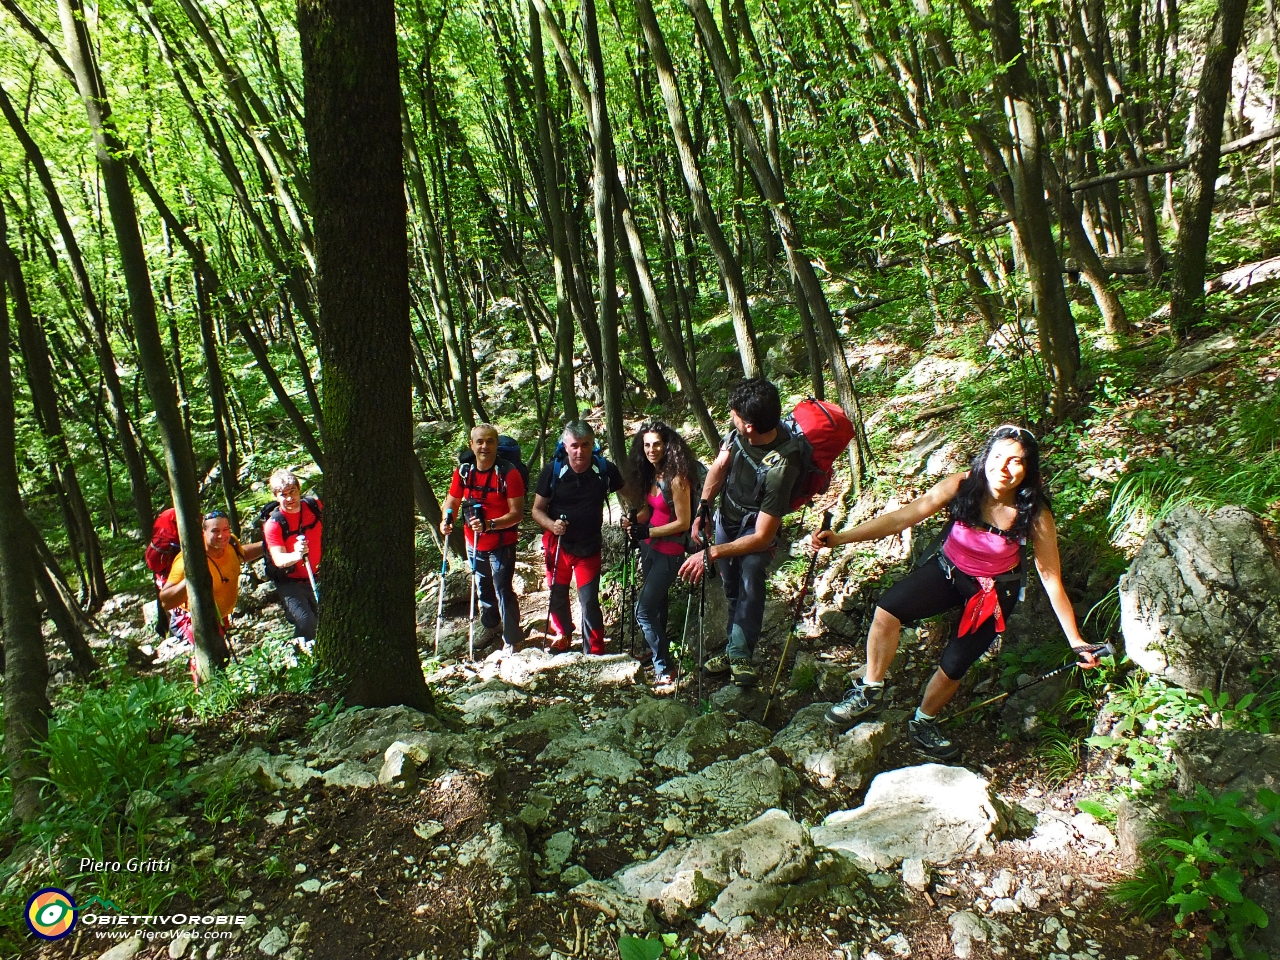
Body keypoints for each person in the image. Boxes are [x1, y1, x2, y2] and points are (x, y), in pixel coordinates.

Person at [813, 424, 1099, 760]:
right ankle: (871, 689)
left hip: (992, 594)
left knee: (954, 663)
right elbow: (902, 518)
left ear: (1029, 468)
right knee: (888, 609)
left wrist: (1075, 640)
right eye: (997, 457)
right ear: (985, 457)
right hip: (948, 572)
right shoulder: (964, 485)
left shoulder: (1034, 513)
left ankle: (923, 723)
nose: (1003, 469)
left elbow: (1051, 580)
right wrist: (842, 537)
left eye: (1016, 462)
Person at [679, 378, 800, 688]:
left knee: (749, 579)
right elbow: (720, 466)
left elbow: (762, 536)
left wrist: (712, 552)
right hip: (726, 517)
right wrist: (703, 508)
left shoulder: (781, 467)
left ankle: (741, 655)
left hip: (756, 527)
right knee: (731, 584)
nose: (730, 416)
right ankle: (735, 648)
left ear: (750, 425)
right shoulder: (738, 434)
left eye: (734, 413)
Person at [532, 421, 624, 654]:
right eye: (574, 446)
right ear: (566, 445)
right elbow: (537, 510)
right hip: (558, 544)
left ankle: (593, 648)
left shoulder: (604, 470)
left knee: (589, 600)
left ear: (593, 444)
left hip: (589, 546)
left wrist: (635, 517)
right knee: (557, 593)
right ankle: (563, 633)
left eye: (585, 445)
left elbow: (629, 495)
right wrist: (552, 525)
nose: (579, 451)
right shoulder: (554, 470)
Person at [441, 423, 527, 654]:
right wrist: (446, 520)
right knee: (482, 585)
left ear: (497, 444)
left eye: (490, 441)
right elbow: (452, 501)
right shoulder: (463, 472)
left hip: (502, 542)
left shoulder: (509, 473)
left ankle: (512, 637)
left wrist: (490, 525)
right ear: (472, 444)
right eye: (479, 441)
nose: (484, 446)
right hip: (473, 542)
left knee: (502, 588)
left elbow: (516, 513)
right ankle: (490, 625)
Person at [620, 422, 695, 687]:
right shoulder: (654, 474)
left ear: (667, 446)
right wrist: (634, 521)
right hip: (650, 548)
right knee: (657, 604)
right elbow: (652, 511)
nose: (651, 449)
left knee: (644, 610)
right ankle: (654, 651)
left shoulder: (677, 478)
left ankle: (664, 666)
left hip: (670, 551)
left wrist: (648, 533)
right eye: (647, 444)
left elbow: (683, 522)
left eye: (657, 444)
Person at [159, 510, 265, 661]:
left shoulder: (231, 544)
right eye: (215, 531)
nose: (222, 536)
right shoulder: (188, 560)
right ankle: (206, 684)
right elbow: (166, 600)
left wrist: (266, 546)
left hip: (221, 618)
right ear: (203, 532)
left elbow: (241, 555)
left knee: (221, 659)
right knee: (214, 658)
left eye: (225, 530)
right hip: (195, 621)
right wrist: (191, 577)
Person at [262, 469, 323, 642]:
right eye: (283, 495)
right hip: (291, 581)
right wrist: (296, 554)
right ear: (275, 497)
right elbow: (279, 559)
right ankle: (306, 659)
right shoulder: (274, 524)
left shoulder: (315, 507)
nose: (289, 498)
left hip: (320, 574)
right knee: (306, 622)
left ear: (299, 489)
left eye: (292, 492)